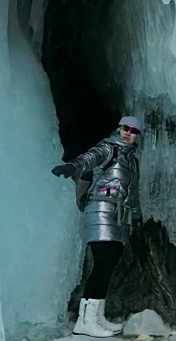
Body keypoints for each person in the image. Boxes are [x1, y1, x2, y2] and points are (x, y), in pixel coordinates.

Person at [51, 116, 144, 337]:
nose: (127, 133)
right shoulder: (108, 148)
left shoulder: (131, 160)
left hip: (118, 215)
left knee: (110, 260)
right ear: (118, 128)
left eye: (133, 130)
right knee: (103, 261)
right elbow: (89, 158)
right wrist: (72, 167)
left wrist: (136, 217)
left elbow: (131, 193)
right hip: (100, 208)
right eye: (125, 128)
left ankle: (97, 316)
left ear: (138, 136)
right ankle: (85, 321)